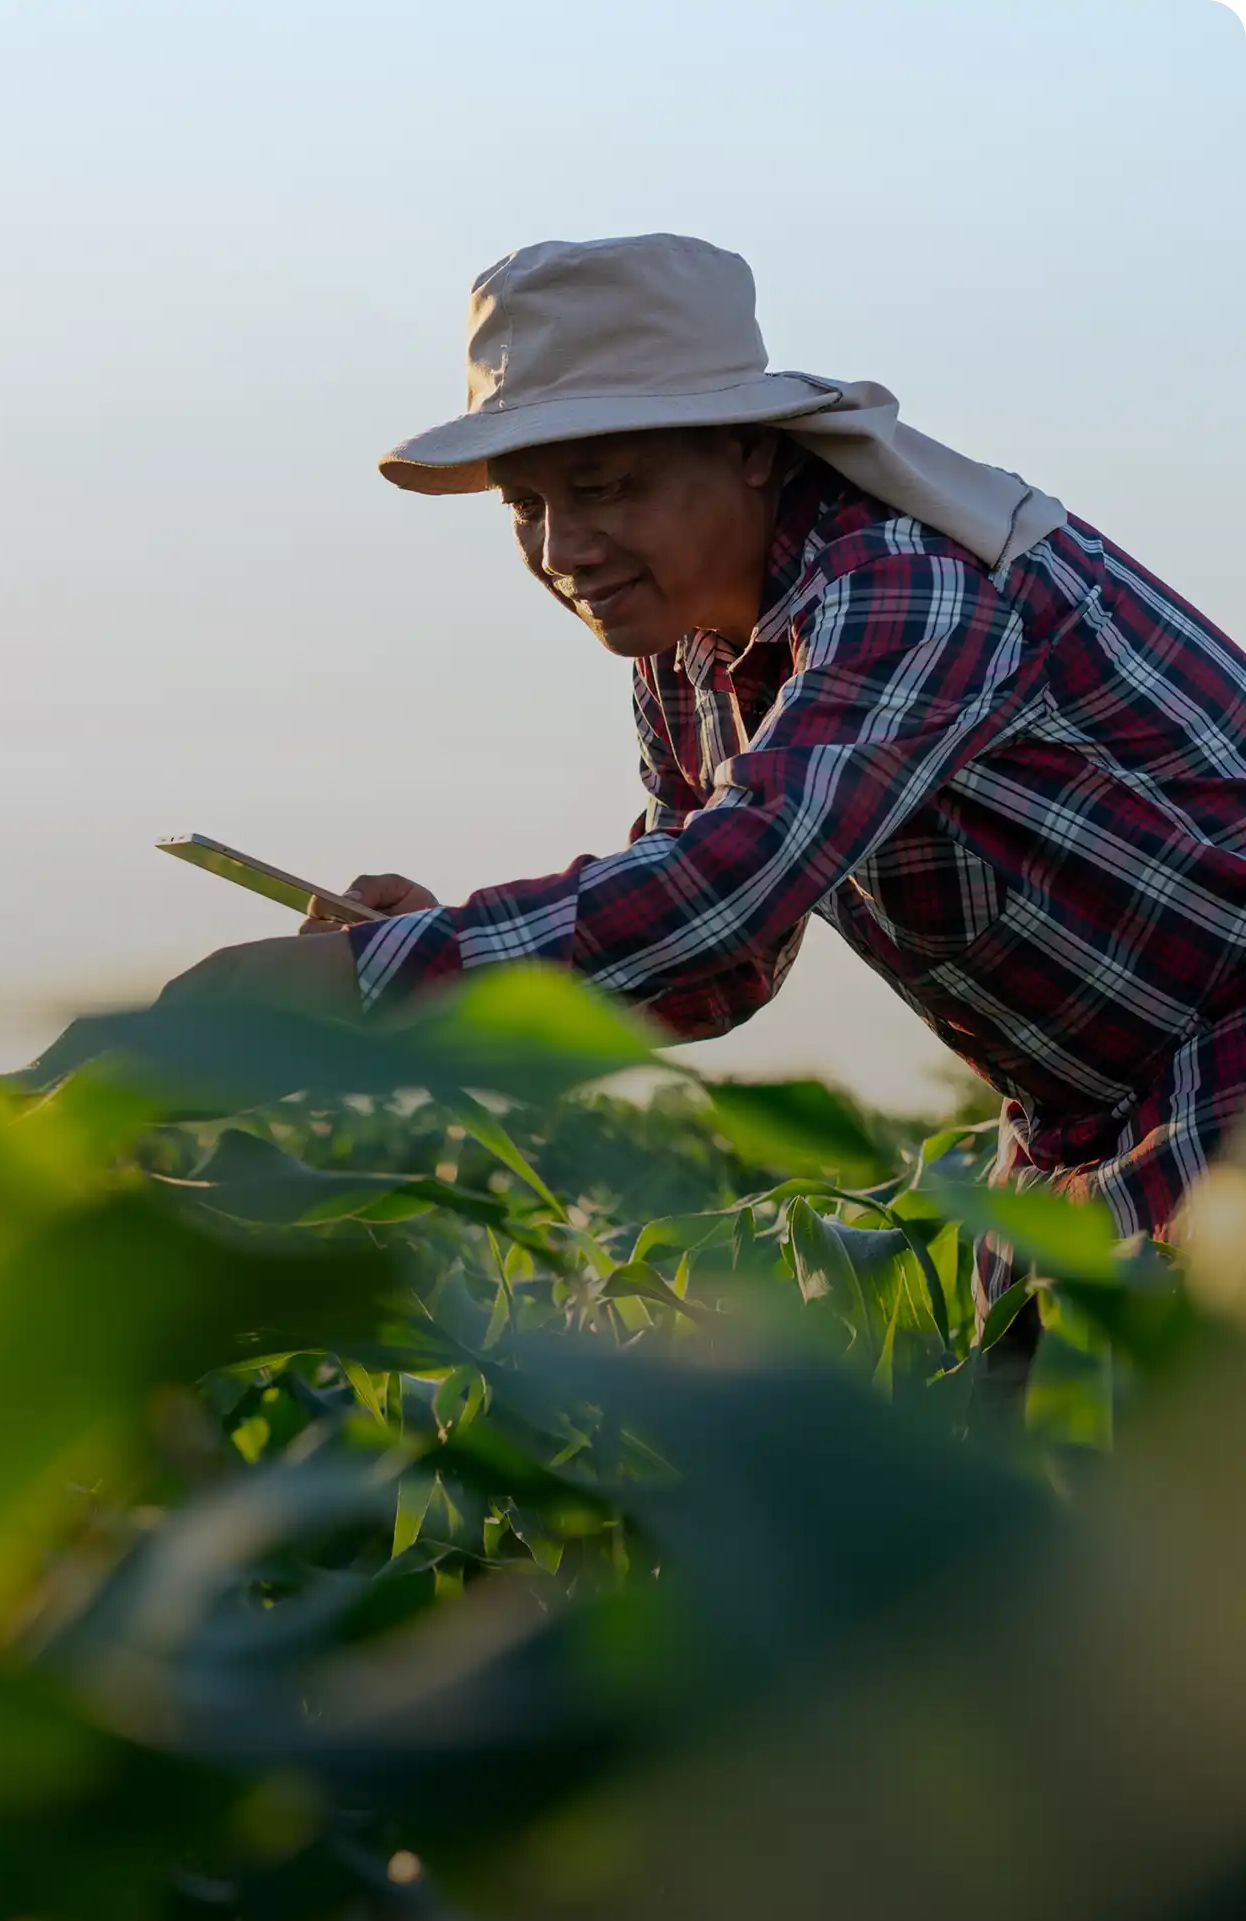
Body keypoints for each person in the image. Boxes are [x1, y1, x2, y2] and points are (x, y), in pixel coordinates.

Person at [162, 233, 1246, 1285]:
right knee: (1042, 1404)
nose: (561, 550)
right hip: (1078, 1124)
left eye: (603, 487)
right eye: (526, 505)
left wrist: (362, 981)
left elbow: (726, 888)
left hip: (1221, 1060)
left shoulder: (908, 582)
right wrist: (427, 976)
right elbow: (719, 964)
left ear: (750, 448)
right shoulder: (684, 651)